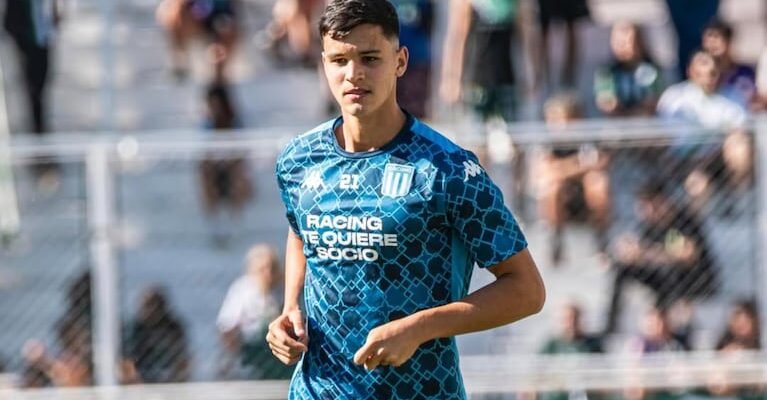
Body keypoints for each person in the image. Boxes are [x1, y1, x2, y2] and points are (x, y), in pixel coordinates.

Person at [266, 1, 545, 398]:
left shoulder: (448, 169)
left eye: (370, 58)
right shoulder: (299, 160)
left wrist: (420, 328)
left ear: (400, 61)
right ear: (323, 63)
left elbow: (527, 290)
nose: (353, 74)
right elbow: (301, 230)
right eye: (339, 60)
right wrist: (290, 306)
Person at [605, 180, 717, 334]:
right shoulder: (649, 226)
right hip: (663, 279)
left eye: (649, 205)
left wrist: (647, 253)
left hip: (694, 280)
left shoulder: (683, 220)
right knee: (622, 268)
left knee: (670, 268)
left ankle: (674, 321)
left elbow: (688, 255)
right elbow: (642, 252)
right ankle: (611, 325)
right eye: (642, 206)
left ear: (662, 202)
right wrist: (628, 255)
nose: (645, 211)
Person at [537, 93, 610, 265]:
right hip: (564, 191)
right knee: (551, 188)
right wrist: (578, 165)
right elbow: (545, 170)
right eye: (551, 119)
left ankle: (601, 240)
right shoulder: (549, 141)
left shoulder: (587, 137)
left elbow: (600, 163)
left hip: (583, 190)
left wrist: (563, 168)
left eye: (560, 119)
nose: (555, 125)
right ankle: (555, 241)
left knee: (597, 183)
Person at [217, 244, 292, 379]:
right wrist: (230, 358)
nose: (268, 274)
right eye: (262, 269)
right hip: (252, 348)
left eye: (272, 268)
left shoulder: (285, 289)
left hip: (281, 347)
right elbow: (227, 327)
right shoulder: (242, 290)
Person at [198, 82, 253, 247]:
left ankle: (237, 222)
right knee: (205, 174)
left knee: (238, 174)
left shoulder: (237, 124)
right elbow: (203, 156)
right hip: (215, 172)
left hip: (233, 171)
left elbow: (242, 155)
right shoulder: (206, 126)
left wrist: (228, 163)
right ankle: (214, 224)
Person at [594, 21, 663, 117]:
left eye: (630, 42)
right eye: (620, 43)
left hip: (645, 121)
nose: (626, 47)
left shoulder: (651, 70)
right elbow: (606, 102)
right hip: (617, 122)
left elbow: (655, 100)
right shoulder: (606, 72)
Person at [123, 286, 190, 383]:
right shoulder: (133, 328)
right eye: (146, 306)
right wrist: (137, 381)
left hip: (167, 375)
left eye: (153, 305)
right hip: (139, 376)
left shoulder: (173, 327)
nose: (150, 310)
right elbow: (126, 359)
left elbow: (182, 357)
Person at [701, 19, 756, 110]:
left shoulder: (746, 73)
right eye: (708, 38)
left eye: (716, 37)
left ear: (729, 41)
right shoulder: (700, 74)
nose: (712, 43)